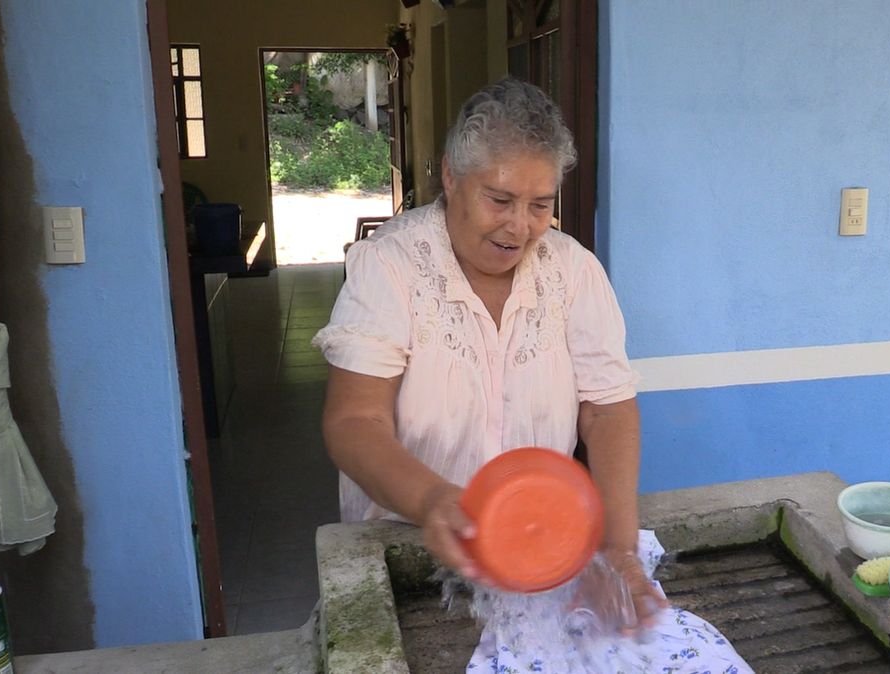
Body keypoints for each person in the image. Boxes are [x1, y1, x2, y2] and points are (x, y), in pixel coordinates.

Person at [315, 78, 751, 672]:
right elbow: (354, 420)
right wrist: (436, 501)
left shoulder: (572, 272)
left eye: (540, 205)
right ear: (450, 176)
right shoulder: (390, 268)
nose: (519, 227)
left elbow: (606, 408)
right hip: (414, 545)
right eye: (499, 199)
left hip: (539, 546)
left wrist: (617, 550)